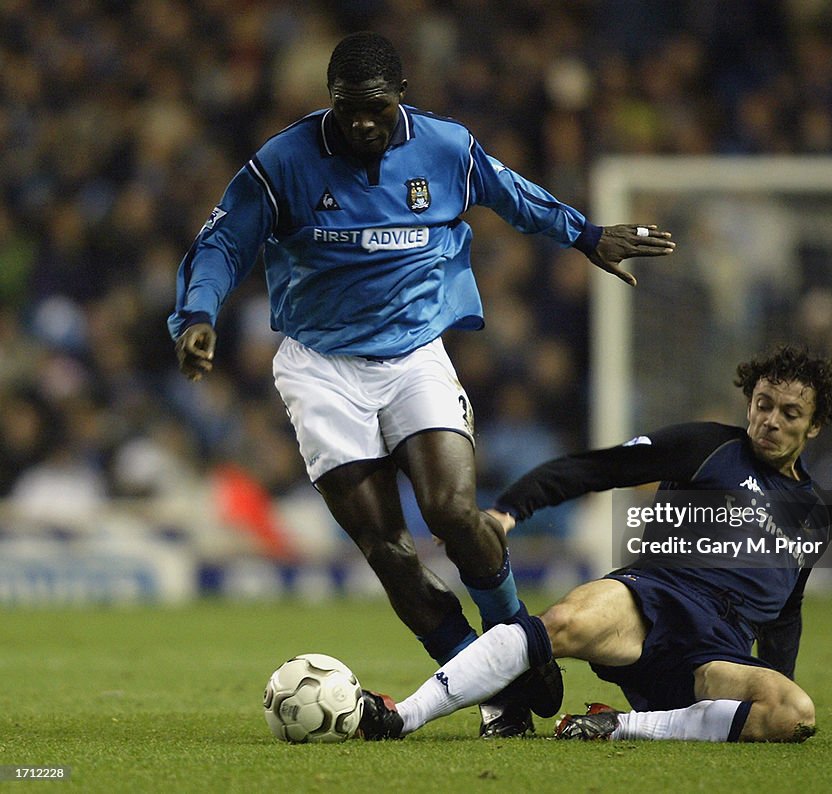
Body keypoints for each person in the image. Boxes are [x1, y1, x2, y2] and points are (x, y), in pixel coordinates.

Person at [168, 31, 675, 737]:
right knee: (387, 548)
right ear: (331, 101)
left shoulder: (444, 147)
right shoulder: (283, 162)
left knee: (453, 511)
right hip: (320, 366)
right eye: (347, 110)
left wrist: (587, 236)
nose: (362, 124)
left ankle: (516, 637)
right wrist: (196, 316)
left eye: (375, 108)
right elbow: (222, 242)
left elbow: (513, 195)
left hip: (413, 354)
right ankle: (491, 687)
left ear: (400, 98)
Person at [358, 345, 832, 742]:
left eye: (790, 412)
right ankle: (403, 716)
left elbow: (785, 613)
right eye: (763, 405)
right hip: (653, 599)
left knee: (793, 712)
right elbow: (599, 468)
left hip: (721, 648)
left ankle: (620, 726)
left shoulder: (818, 516)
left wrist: (776, 676)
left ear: (815, 425)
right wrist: (510, 510)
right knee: (563, 620)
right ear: (749, 402)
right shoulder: (709, 447)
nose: (771, 421)